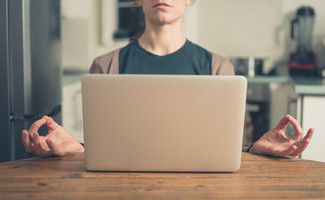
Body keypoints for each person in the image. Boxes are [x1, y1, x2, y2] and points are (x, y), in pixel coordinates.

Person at [22, 0, 314, 158]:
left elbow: (220, 151)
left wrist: (254, 150)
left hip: (201, 189)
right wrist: (77, 149)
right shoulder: (105, 65)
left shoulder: (218, 67)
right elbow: (105, 148)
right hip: (121, 189)